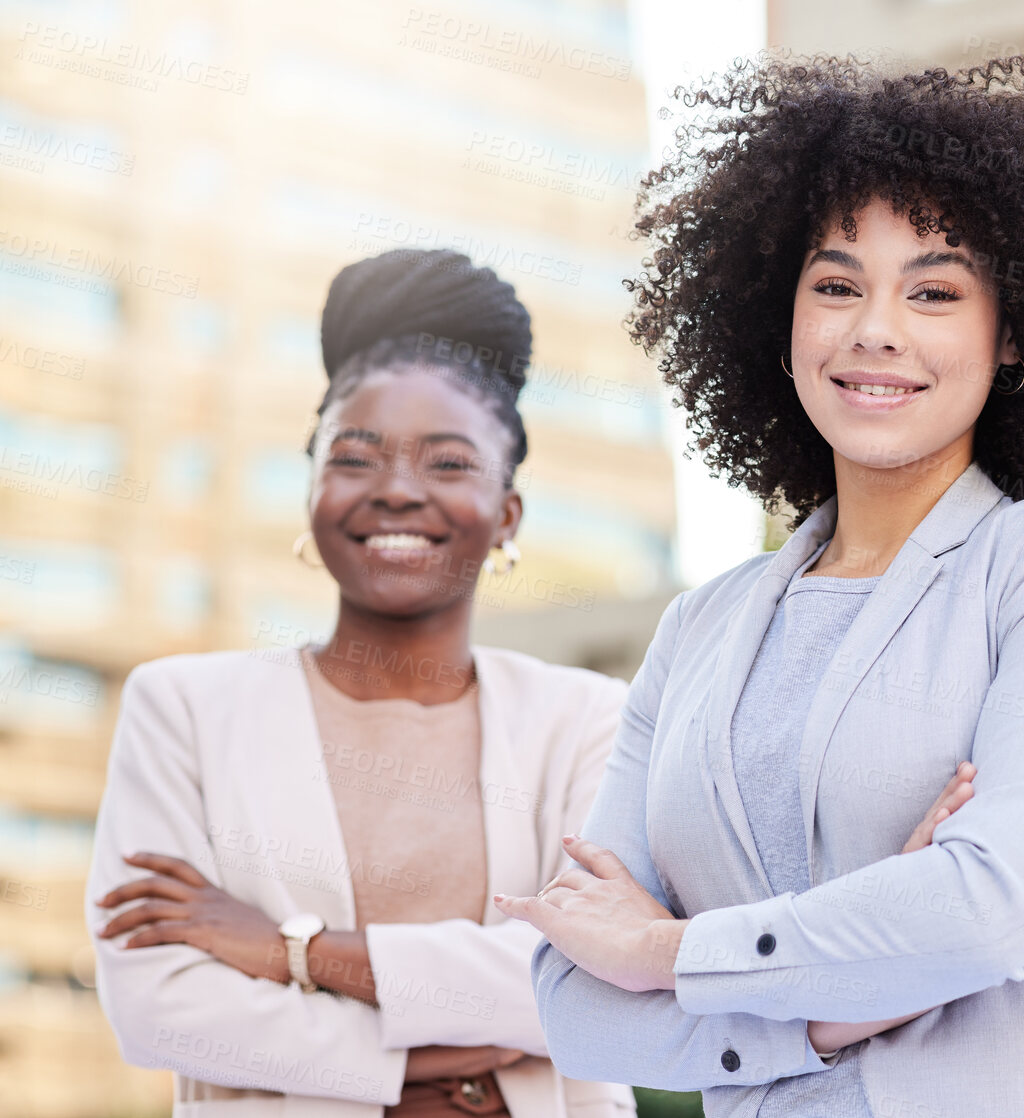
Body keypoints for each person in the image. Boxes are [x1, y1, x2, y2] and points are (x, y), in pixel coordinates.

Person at [492, 48, 1024, 1118]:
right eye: (836, 284)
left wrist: (669, 947)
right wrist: (839, 1005)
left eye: (933, 290)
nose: (876, 327)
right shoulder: (699, 627)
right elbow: (574, 1000)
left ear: (1007, 332)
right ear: (774, 321)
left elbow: (984, 911)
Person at [85, 249, 636, 1118]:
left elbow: (598, 981)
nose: (396, 491)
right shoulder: (183, 709)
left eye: (449, 464)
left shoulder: (589, 721)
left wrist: (287, 953)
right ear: (311, 487)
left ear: (507, 515)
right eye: (355, 457)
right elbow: (163, 1011)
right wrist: (433, 1058)